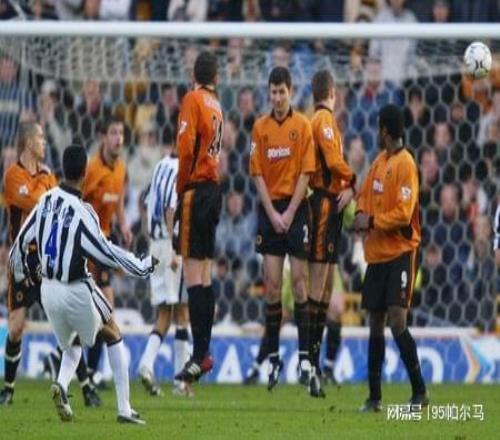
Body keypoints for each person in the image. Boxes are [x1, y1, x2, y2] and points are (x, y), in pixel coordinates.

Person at [9, 145, 158, 424]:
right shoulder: (82, 212)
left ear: (63, 169)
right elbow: (105, 252)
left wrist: (22, 273)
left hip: (48, 291)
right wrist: (141, 266)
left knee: (73, 345)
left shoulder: (45, 200)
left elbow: (18, 244)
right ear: (84, 173)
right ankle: (124, 409)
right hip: (75, 288)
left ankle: (61, 384)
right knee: (112, 332)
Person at [354, 104, 428, 412]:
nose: (377, 131)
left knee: (397, 319)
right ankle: (374, 398)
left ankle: (420, 391)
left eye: (378, 126)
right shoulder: (378, 162)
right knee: (375, 321)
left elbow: (403, 214)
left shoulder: (406, 163)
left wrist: (370, 221)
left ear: (384, 129)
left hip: (400, 252)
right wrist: (360, 213)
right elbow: (363, 195)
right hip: (378, 255)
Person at [249, 66, 315, 391]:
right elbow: (257, 174)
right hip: (270, 211)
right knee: (273, 287)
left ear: (291, 91)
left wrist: (288, 212)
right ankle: (274, 357)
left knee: (300, 283)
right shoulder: (259, 128)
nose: (277, 98)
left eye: (282, 92)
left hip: (296, 210)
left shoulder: (302, 126)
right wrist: (273, 213)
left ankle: (304, 358)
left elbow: (306, 172)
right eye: (273, 92)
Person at [174, 51, 223, 383]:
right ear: (216, 78)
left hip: (195, 189)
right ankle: (203, 352)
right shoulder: (217, 104)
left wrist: (181, 191)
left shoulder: (192, 100)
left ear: (194, 76)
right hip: (214, 191)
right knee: (205, 274)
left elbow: (185, 147)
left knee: (192, 276)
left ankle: (199, 354)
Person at [0, 122, 57, 405]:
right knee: (16, 327)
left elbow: (54, 209)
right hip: (21, 260)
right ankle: (8, 389)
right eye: (40, 137)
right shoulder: (12, 175)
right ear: (28, 142)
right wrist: (43, 190)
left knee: (63, 321)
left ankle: (85, 387)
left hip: (45, 260)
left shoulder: (49, 175)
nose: (44, 142)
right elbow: (35, 202)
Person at [307, 69, 356, 397]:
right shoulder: (323, 120)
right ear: (332, 93)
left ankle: (314, 364)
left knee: (324, 291)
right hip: (323, 206)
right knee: (318, 288)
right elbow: (334, 161)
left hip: (331, 207)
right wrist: (354, 181)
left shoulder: (325, 120)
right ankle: (310, 363)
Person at [137, 146, 192, 397]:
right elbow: (171, 207)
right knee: (182, 310)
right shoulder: (179, 168)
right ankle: (181, 382)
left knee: (164, 314)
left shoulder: (160, 165)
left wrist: (153, 238)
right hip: (170, 245)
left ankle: (146, 364)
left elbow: (145, 203)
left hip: (155, 245)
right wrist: (176, 247)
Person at [82, 115, 131, 386]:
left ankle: (88, 371)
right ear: (103, 138)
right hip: (88, 245)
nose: (118, 139)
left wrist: (123, 225)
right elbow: (77, 202)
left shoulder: (121, 168)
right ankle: (84, 368)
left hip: (106, 243)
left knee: (103, 311)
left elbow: (119, 201)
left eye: (121, 133)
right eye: (113, 133)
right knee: (100, 311)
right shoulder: (91, 169)